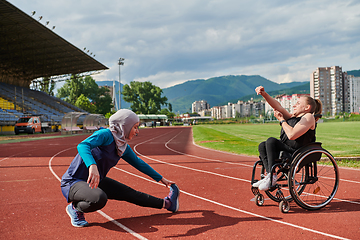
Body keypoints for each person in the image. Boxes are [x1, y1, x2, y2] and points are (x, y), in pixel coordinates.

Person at [61, 109, 180, 227]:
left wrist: (161, 179)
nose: (137, 131)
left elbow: (139, 163)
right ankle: (75, 209)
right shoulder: (105, 135)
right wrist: (92, 165)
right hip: (73, 182)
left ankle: (167, 204)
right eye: (135, 127)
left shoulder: (122, 146)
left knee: (129, 193)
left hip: (95, 181)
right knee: (99, 198)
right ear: (125, 126)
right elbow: (83, 145)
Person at [252, 86, 322, 191]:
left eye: (298, 103)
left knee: (271, 141)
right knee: (262, 145)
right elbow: (278, 106)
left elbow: (292, 135)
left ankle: (272, 176)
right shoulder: (292, 117)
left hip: (297, 151)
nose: (294, 105)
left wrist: (282, 120)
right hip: (287, 149)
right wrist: (264, 94)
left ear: (307, 107)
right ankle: (270, 175)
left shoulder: (308, 117)